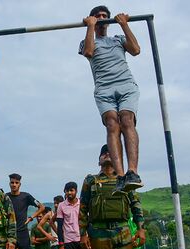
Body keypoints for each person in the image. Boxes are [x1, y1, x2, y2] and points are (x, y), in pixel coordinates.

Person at [79, 6, 143, 193]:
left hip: (126, 85)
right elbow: (89, 52)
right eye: (98, 16)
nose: (102, 19)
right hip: (104, 89)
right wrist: (90, 26)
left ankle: (132, 172)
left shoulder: (117, 40)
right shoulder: (86, 41)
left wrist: (124, 25)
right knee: (112, 124)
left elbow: (136, 50)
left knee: (126, 119)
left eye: (104, 16)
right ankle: (121, 176)